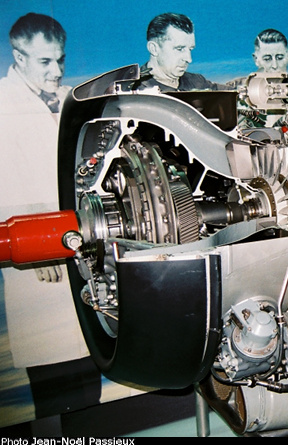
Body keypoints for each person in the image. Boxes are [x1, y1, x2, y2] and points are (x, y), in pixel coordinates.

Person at [0, 12, 98, 420]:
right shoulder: (3, 105)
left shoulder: (71, 99)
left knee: (90, 373)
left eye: (60, 59)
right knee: (52, 384)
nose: (57, 70)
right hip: (34, 254)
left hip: (80, 246)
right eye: (45, 62)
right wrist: (37, 245)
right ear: (18, 56)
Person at [137, 12, 229, 92]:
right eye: (179, 49)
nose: (189, 59)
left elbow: (232, 94)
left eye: (190, 49)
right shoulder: (131, 92)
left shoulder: (198, 83)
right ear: (154, 49)